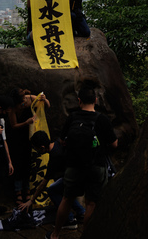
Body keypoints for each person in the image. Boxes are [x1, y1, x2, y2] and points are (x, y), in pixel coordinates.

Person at [47, 85, 117, 239]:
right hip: (97, 166)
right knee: (91, 203)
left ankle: (55, 234)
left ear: (79, 101)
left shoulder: (72, 117)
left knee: (67, 198)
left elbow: (62, 140)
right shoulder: (102, 119)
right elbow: (114, 144)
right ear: (96, 100)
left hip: (74, 166)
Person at [18, 131, 85, 228]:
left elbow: (43, 184)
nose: (36, 151)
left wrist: (31, 201)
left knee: (52, 190)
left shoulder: (55, 157)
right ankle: (81, 212)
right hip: (78, 173)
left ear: (42, 147)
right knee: (61, 188)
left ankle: (69, 220)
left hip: (76, 177)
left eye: (36, 148)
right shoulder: (58, 142)